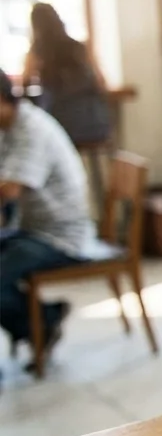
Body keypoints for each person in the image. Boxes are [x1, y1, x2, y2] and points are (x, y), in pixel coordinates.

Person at [0, 66, 96, 370]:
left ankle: (43, 321)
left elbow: (10, 190)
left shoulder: (31, 129)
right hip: (32, 229)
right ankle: (39, 321)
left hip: (60, 236)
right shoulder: (11, 127)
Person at [24, 3, 113, 147]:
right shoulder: (81, 48)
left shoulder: (37, 52)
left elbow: (24, 83)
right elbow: (101, 83)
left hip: (60, 127)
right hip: (96, 125)